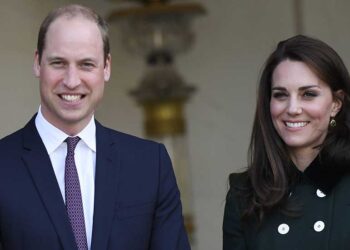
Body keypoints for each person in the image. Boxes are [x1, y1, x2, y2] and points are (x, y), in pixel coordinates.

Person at [0, 4, 190, 250]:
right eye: (58, 63)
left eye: (86, 64)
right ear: (38, 63)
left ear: (106, 67)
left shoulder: (150, 165)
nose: (71, 81)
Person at [223, 35, 350, 250]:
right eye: (281, 95)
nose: (292, 109)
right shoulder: (244, 193)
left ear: (336, 104)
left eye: (308, 94)